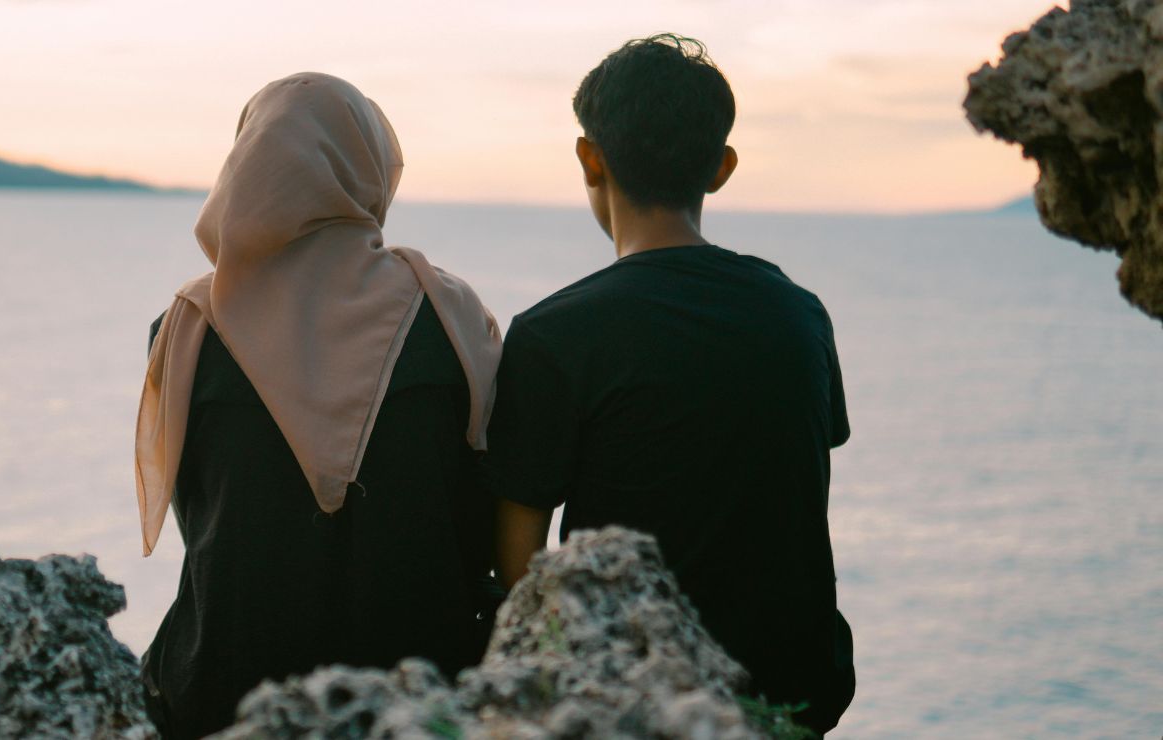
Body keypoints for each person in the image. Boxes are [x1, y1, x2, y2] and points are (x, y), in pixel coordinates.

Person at [484, 35, 856, 733]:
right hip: (791, 699)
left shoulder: (554, 336)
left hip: (632, 701)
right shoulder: (799, 316)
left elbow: (519, 571)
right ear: (720, 169)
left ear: (589, 158)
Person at [134, 72, 505, 739]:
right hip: (423, 691)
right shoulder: (451, 319)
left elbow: (207, 523)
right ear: (369, 171)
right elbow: (480, 508)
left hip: (223, 688)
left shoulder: (183, 328)